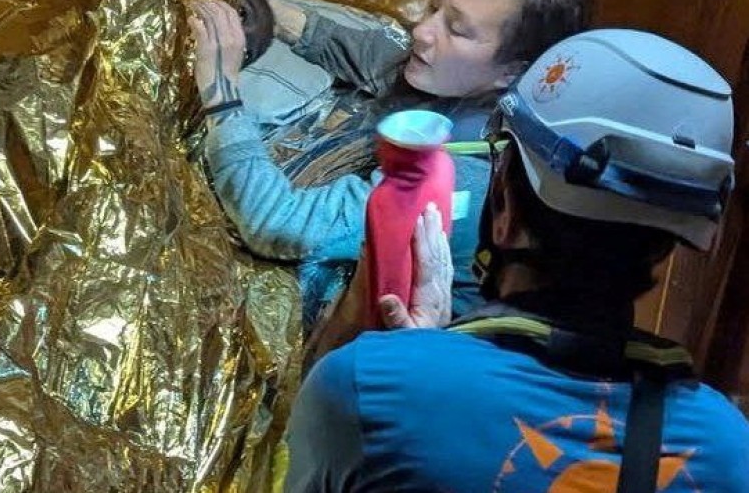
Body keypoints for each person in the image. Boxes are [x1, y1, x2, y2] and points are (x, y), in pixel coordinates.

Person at [283, 29, 749, 492]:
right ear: (670, 240)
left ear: (503, 206)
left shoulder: (368, 387)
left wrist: (410, 357)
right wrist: (433, 352)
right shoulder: (728, 448)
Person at [189, 0, 590, 320]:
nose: (421, 31)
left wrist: (222, 94)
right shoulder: (488, 88)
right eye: (435, 8)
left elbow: (275, 222)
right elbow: (386, 61)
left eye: (456, 28)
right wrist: (282, 19)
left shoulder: (452, 176)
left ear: (513, 71)